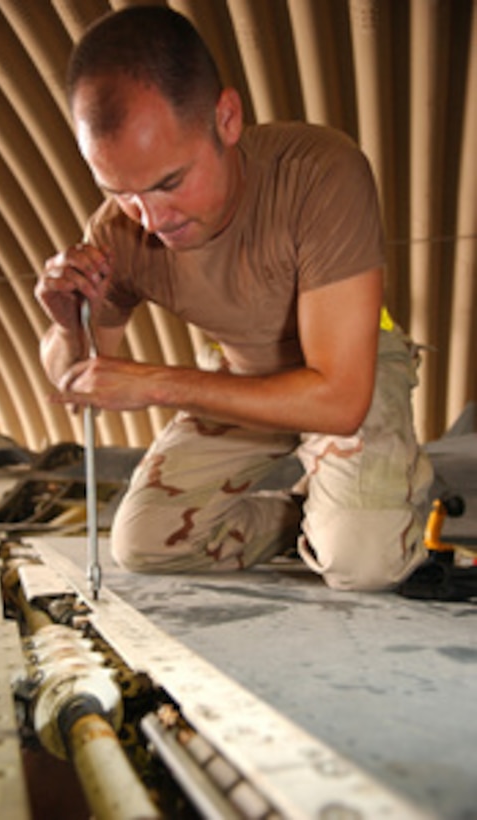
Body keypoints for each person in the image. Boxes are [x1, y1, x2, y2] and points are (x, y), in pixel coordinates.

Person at [35, 5, 432, 590]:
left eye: (170, 182)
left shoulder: (319, 172)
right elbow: (78, 384)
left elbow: (340, 400)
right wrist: (71, 327)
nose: (151, 218)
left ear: (226, 117)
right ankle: (306, 517)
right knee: (145, 546)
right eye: (120, 192)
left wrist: (155, 384)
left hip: (353, 368)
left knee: (363, 563)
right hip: (245, 378)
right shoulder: (118, 230)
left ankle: (368, 513)